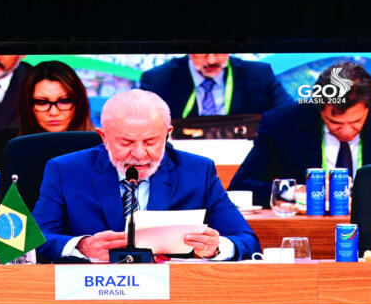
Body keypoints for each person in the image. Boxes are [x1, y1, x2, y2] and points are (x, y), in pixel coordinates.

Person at [32, 89, 261, 263]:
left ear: (168, 134)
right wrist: (81, 246)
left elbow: (247, 241)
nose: (139, 154)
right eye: (126, 142)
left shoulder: (197, 171)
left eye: (151, 142)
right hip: (90, 299)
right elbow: (33, 241)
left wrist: (216, 247)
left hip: (173, 301)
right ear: (103, 136)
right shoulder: (65, 170)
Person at [229, 61, 371, 207]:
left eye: (356, 122)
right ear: (319, 108)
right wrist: (296, 192)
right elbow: (240, 186)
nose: (346, 131)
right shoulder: (282, 123)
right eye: (335, 123)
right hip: (306, 223)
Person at [0, 59, 95, 183]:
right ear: (28, 105)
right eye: (42, 102)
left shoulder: (100, 145)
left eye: (64, 101)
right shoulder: (7, 141)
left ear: (79, 103)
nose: (53, 112)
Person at [139, 53, 292, 119]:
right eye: (202, 53)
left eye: (218, 51)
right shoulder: (157, 81)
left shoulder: (259, 76)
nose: (211, 60)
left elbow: (288, 115)